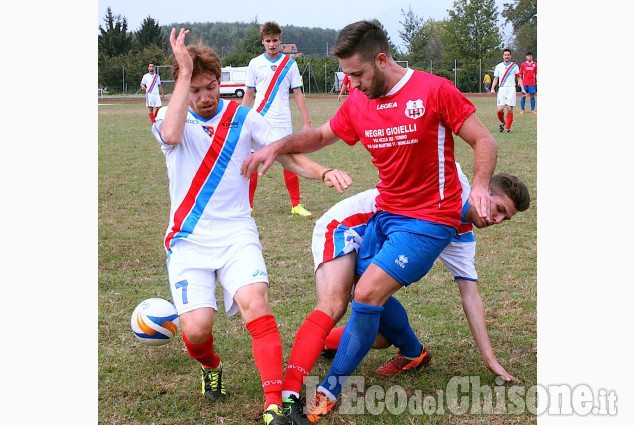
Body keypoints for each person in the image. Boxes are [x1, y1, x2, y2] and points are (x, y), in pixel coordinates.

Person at [241, 20, 498, 422]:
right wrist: (278, 145)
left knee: (364, 295)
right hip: (386, 215)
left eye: (357, 74)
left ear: (381, 60)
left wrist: (480, 187)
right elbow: (321, 135)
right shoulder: (359, 101)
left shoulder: (433, 90)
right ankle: (414, 351)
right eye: (346, 75)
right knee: (367, 291)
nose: (352, 83)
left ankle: (324, 395)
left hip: (430, 220)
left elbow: (485, 139)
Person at [152, 28, 352, 425]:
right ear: (182, 89)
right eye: (195, 90)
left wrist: (322, 170)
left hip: (236, 234)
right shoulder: (167, 118)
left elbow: (286, 155)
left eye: (211, 87)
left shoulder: (244, 118)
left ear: (221, 83)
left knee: (257, 303)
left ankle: (273, 404)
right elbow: (172, 135)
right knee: (195, 330)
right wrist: (184, 72)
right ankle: (211, 366)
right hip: (188, 240)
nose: (205, 97)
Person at [280, 166, 530, 424]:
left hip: (380, 240)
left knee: (378, 331)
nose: (496, 221)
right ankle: (299, 395)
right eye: (499, 209)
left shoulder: (462, 238)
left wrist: (490, 359)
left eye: (505, 218)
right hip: (347, 226)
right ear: (483, 189)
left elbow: (471, 296)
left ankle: (412, 352)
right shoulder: (451, 177)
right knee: (336, 303)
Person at [242, 21, 313, 217]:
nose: (272, 44)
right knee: (253, 162)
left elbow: (298, 93)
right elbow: (249, 93)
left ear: (280, 40)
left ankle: (296, 205)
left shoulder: (290, 64)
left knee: (289, 163)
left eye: (275, 40)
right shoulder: (255, 63)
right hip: (258, 120)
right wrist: (239, 118)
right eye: (268, 41)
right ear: (262, 42)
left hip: (283, 122)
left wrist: (306, 121)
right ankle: (247, 205)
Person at [490, 49, 523, 133]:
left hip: (511, 89)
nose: (507, 56)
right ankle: (502, 122)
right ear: (503, 56)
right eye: (505, 55)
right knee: (500, 109)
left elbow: (519, 77)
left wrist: (523, 89)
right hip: (502, 89)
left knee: (509, 109)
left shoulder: (514, 66)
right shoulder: (499, 66)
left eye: (508, 55)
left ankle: (507, 129)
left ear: (510, 56)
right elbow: (496, 78)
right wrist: (492, 88)